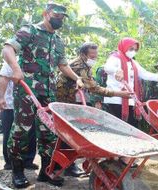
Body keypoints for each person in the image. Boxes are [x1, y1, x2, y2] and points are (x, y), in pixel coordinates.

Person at [1, 3, 84, 188]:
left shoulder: (59, 40)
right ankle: (18, 171)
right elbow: (8, 49)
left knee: (49, 133)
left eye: (63, 17)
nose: (60, 19)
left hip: (49, 92)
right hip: (27, 90)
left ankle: (46, 172)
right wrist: (16, 69)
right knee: (21, 131)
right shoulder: (30, 30)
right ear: (46, 14)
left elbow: (63, 65)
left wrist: (78, 78)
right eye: (57, 15)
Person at [56, 42, 131, 176]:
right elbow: (95, 88)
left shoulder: (86, 65)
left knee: (73, 133)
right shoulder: (78, 65)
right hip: (67, 101)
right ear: (83, 54)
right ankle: (67, 166)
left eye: (96, 55)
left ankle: (66, 164)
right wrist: (120, 94)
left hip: (75, 100)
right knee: (69, 134)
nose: (94, 58)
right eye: (92, 55)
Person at [104, 37, 158, 127]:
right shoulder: (115, 58)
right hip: (115, 100)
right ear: (124, 47)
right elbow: (107, 67)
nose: (133, 51)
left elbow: (144, 74)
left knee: (132, 126)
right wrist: (116, 70)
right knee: (119, 127)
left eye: (135, 50)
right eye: (131, 49)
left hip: (130, 99)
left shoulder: (133, 62)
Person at [0, 62, 38, 171]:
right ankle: (9, 162)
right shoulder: (11, 61)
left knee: (31, 132)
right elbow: (3, 80)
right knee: (10, 132)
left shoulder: (35, 60)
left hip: (30, 105)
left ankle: (28, 160)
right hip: (10, 105)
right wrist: (1, 98)